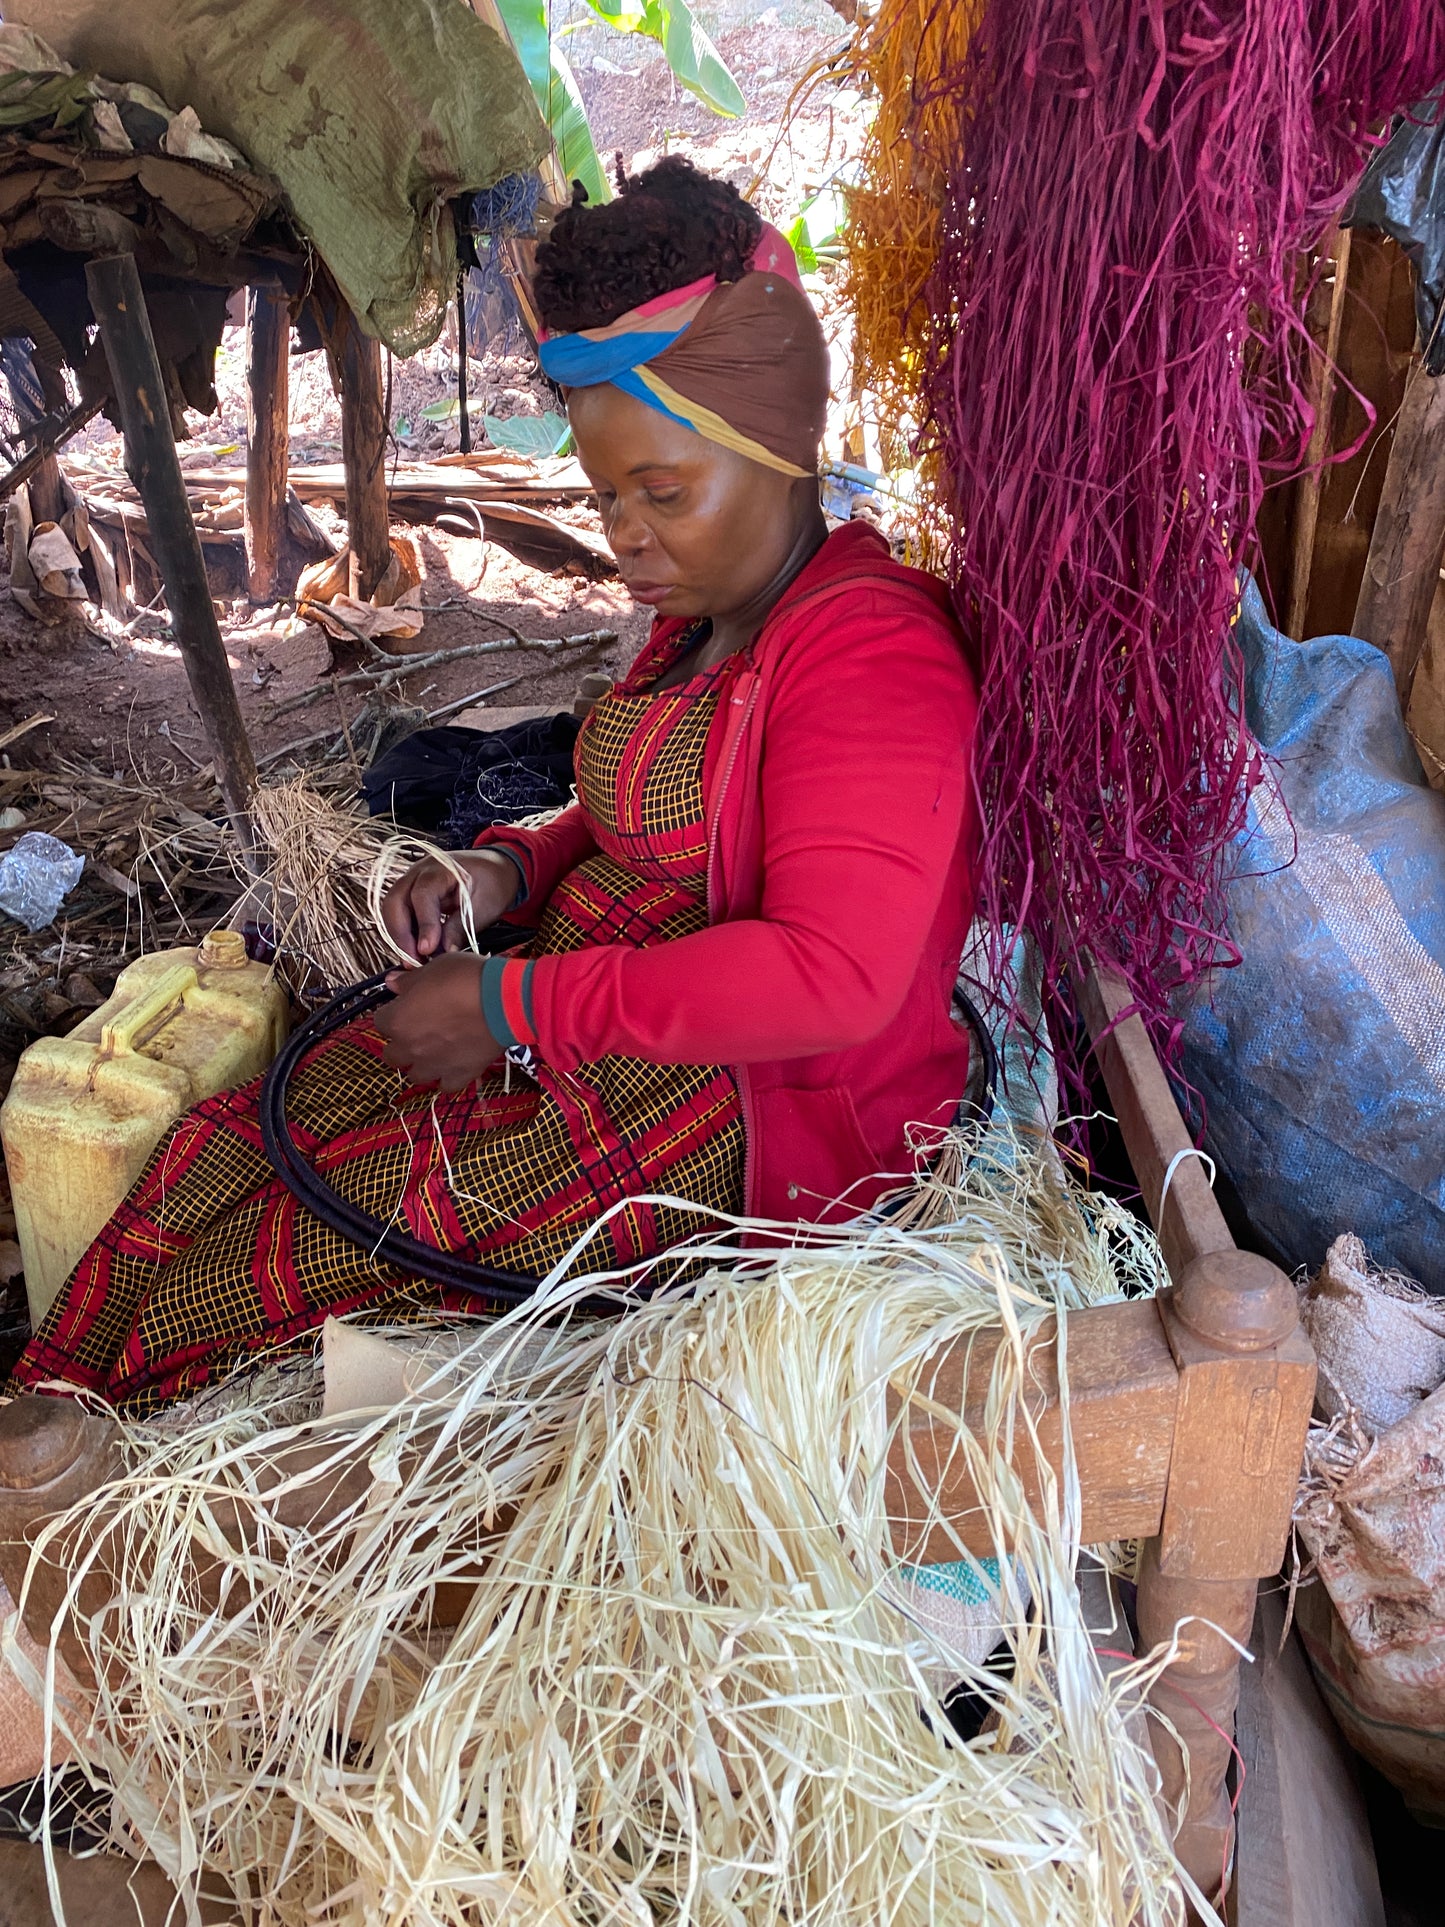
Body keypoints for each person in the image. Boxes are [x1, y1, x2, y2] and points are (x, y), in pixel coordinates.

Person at [10, 158, 979, 1415]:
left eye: (663, 493)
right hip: (585, 1024)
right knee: (213, 1155)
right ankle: (44, 1459)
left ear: (780, 442)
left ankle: (78, 1505)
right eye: (604, 493)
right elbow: (643, 814)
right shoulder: (711, 616)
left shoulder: (872, 654)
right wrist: (512, 861)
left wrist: (516, 1007)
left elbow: (833, 980)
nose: (623, 533)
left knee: (272, 1271)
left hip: (732, 1125)